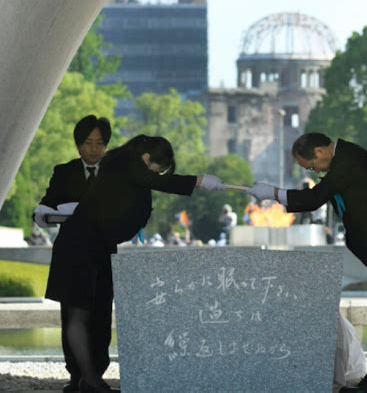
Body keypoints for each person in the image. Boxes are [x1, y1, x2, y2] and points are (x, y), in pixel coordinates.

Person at [246, 133, 367, 393]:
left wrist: (274, 193)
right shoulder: (342, 159)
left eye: (311, 166)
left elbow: (313, 199)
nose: (314, 171)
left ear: (320, 151)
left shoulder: (348, 160)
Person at [44, 134, 224, 392]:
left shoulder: (122, 164)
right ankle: (89, 380)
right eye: (157, 169)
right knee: (78, 313)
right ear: (147, 158)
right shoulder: (125, 163)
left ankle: (88, 378)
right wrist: (199, 181)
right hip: (79, 246)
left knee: (91, 314)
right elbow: (151, 180)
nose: (156, 175)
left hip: (95, 245)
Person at [33, 115, 112, 393]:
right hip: (71, 254)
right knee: (73, 316)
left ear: (106, 146)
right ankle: (80, 376)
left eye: (99, 143)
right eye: (88, 143)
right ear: (78, 145)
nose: (93, 149)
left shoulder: (114, 174)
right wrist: (46, 215)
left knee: (101, 317)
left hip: (103, 256)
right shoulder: (64, 171)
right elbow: (45, 207)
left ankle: (94, 374)